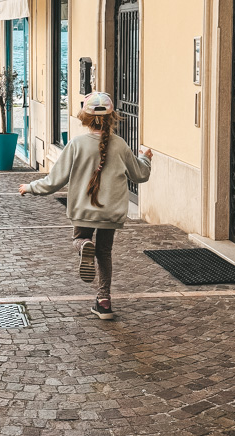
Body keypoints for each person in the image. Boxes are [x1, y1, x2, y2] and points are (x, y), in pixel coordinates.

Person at [18, 91, 152, 320]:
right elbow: (140, 175)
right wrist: (145, 157)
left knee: (80, 240)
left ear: (85, 118)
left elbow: (55, 180)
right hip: (111, 213)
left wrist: (30, 187)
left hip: (83, 210)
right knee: (105, 253)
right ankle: (104, 301)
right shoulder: (120, 145)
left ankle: (83, 245)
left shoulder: (76, 144)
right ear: (113, 118)